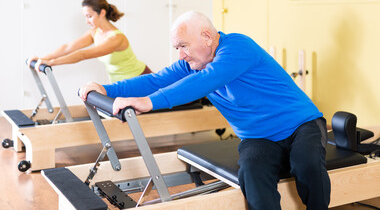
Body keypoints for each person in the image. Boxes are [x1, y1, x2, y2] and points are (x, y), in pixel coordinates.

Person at [79, 11, 331, 209]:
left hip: (302, 125)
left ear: (207, 37)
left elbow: (205, 81)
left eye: (183, 46)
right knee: (252, 173)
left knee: (306, 164)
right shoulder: (193, 63)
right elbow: (155, 80)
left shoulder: (238, 48)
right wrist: (105, 88)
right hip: (259, 137)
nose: (180, 55)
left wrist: (148, 102)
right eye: (177, 48)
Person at [27, 0, 152, 83]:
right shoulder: (95, 32)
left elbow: (83, 55)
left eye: (89, 16)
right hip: (121, 83)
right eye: (85, 17)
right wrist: (43, 58)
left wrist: (51, 63)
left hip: (140, 78)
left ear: (102, 13)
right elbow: (69, 47)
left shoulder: (116, 39)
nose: (87, 21)